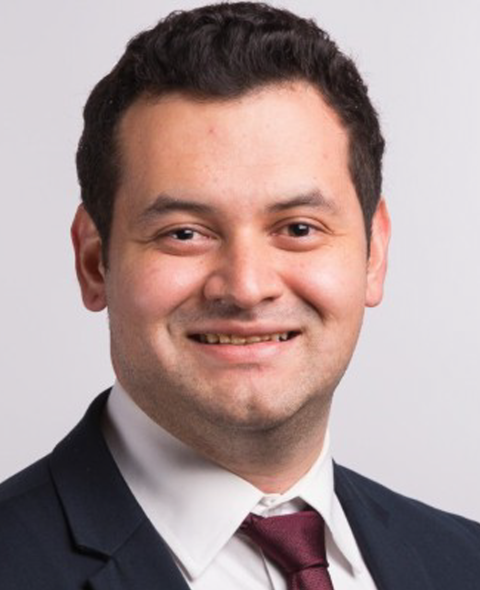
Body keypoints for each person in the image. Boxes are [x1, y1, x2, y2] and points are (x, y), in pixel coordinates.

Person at [1, 2, 479, 589]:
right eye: (184, 233)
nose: (248, 287)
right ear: (94, 261)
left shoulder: (464, 561)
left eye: (299, 228)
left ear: (373, 254)